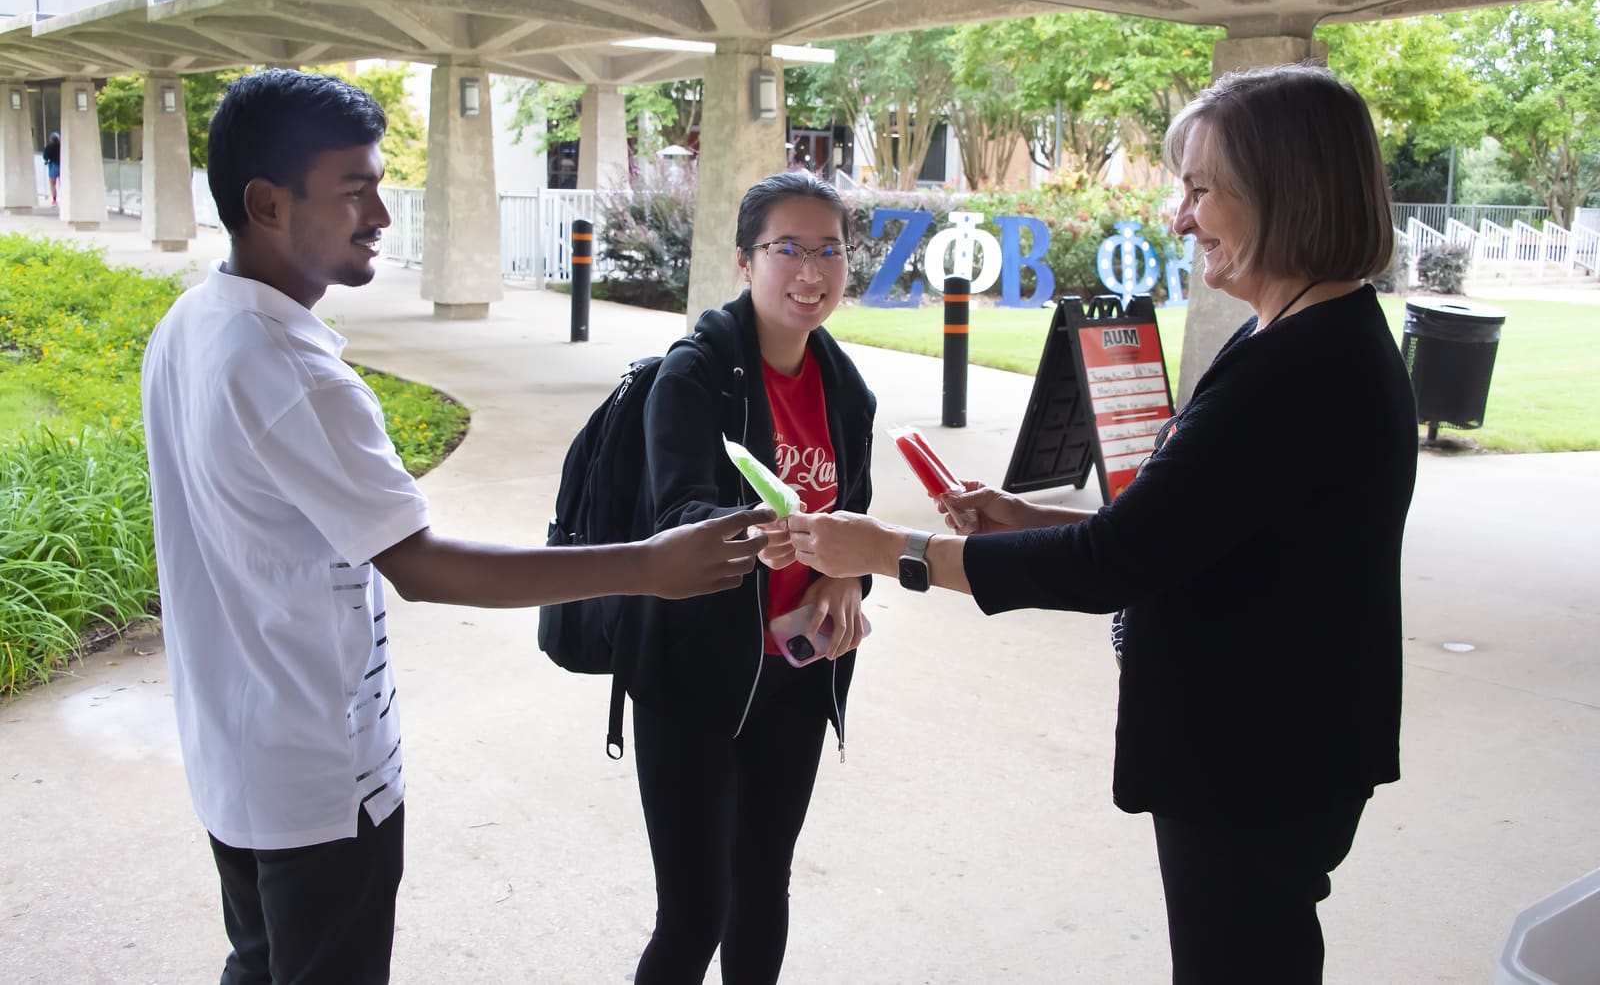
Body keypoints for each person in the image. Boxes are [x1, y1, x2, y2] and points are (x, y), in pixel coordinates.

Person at [783, 64, 1418, 985]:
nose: (1179, 214)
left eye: (1202, 189)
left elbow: (1112, 563)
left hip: (1258, 757)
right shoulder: (1299, 337)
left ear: (1286, 193)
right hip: (1282, 744)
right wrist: (1024, 518)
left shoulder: (1299, 369)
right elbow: (1198, 527)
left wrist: (891, 551)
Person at [140, 69, 773, 985]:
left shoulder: (194, 321)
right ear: (267, 203)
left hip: (237, 756)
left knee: (262, 964)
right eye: (353, 189)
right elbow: (424, 565)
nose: (382, 216)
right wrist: (646, 563)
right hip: (321, 777)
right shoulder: (294, 374)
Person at [619, 170, 877, 984]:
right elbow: (677, 515)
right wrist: (756, 530)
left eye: (829, 249)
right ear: (744, 260)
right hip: (697, 676)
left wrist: (845, 581)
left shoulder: (846, 388)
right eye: (787, 249)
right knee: (696, 912)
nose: (811, 272)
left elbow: (853, 524)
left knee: (764, 890)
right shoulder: (694, 374)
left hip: (796, 674)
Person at [42, 131, 60, 205]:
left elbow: (45, 156)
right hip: (61, 166)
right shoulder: (61, 146)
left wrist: (47, 160)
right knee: (62, 183)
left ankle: (54, 200)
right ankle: (65, 198)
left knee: (52, 184)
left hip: (53, 165)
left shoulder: (48, 147)